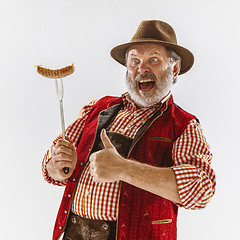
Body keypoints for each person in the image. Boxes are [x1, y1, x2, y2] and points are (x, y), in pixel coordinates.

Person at [42, 20, 216, 240]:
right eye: (134, 60)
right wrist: (57, 165)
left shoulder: (183, 125)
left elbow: (201, 190)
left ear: (174, 68)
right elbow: (52, 166)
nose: (141, 68)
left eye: (153, 59)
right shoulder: (97, 108)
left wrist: (125, 169)